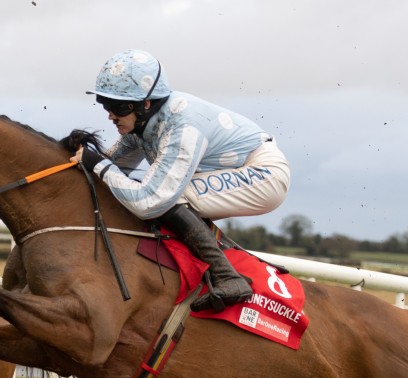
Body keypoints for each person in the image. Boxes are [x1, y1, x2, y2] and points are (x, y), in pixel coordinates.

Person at [75, 50, 292, 312]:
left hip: (264, 173)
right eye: (105, 104)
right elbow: (109, 166)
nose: (110, 115)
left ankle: (228, 276)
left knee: (165, 196)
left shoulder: (183, 125)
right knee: (143, 188)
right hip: (240, 168)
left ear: (146, 104)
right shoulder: (143, 123)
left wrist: (97, 164)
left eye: (118, 107)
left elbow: (149, 201)